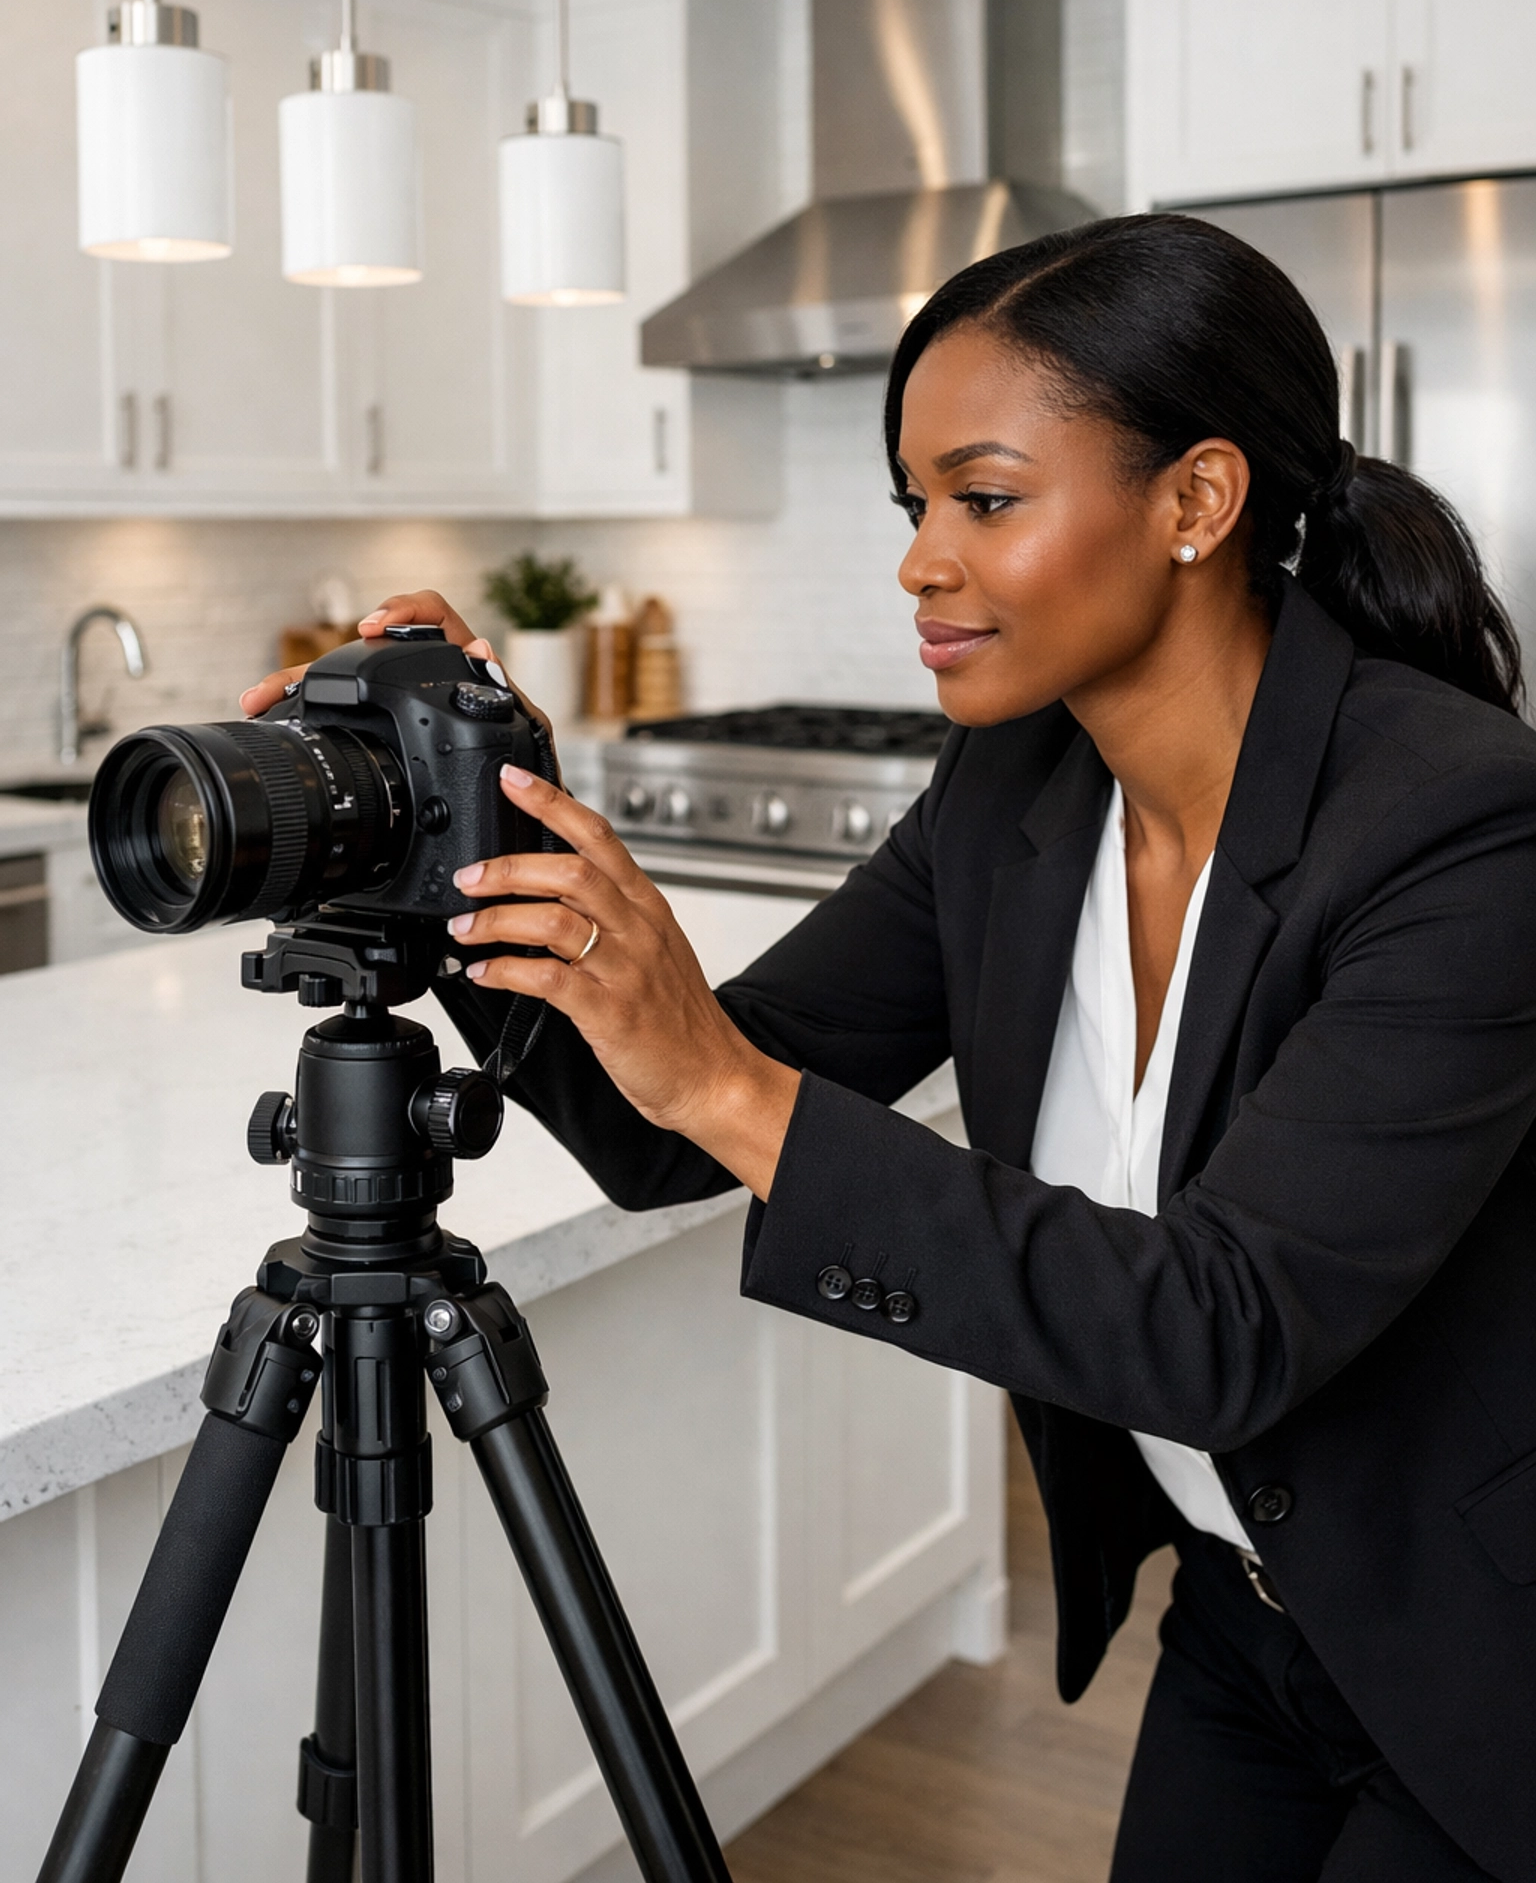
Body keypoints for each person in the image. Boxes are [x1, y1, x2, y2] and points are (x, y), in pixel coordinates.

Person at [244, 213, 1536, 1883]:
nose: (923, 561)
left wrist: (722, 1076)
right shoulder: (1017, 794)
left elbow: (1221, 1330)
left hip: (1475, 1647)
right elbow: (674, 1121)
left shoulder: (1460, 828)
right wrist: (473, 829)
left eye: (984, 500)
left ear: (1196, 502)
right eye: (915, 505)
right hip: (1242, 1617)